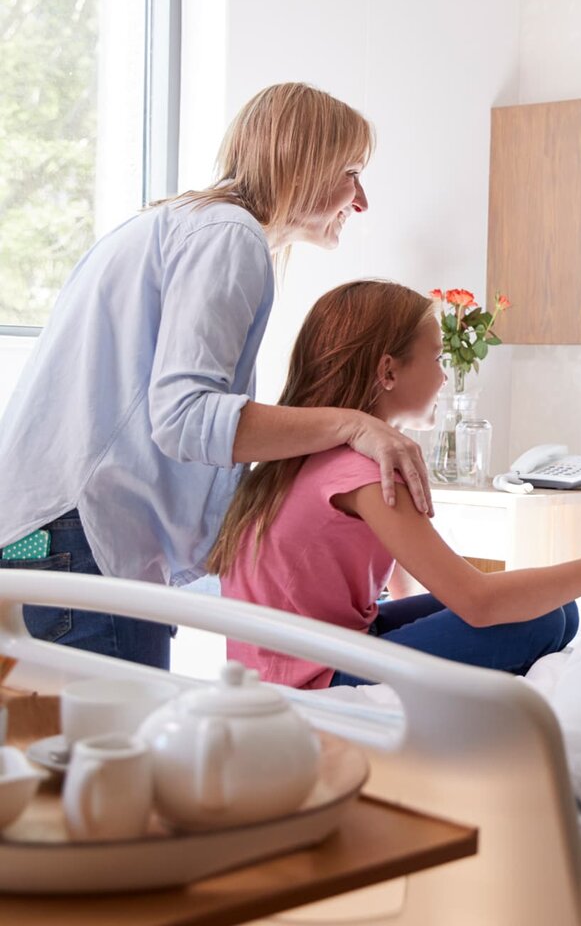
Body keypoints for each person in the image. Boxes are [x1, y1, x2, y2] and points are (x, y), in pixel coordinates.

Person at [0, 83, 433, 670]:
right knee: (118, 729)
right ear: (302, 163)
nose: (361, 201)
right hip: (83, 540)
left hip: (49, 537)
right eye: (351, 173)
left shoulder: (181, 225)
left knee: (60, 729)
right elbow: (184, 418)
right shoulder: (229, 235)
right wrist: (355, 425)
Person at [211, 280, 581, 688]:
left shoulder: (312, 454)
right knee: (542, 620)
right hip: (311, 675)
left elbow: (408, 585)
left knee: (557, 609)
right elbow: (477, 601)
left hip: (319, 648)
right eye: (438, 359)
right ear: (388, 372)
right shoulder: (362, 472)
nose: (444, 377)